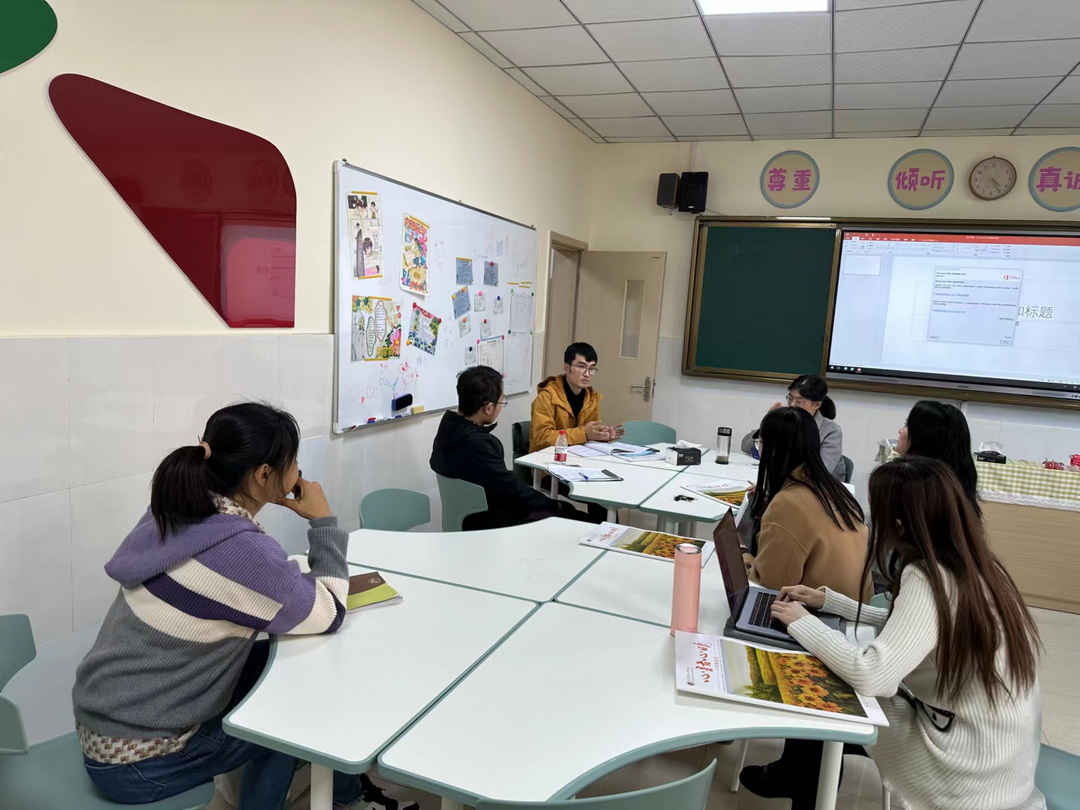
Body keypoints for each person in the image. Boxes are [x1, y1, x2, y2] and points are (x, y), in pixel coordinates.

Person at [71, 403, 410, 810]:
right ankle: (342, 798)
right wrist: (324, 521)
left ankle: (346, 795)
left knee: (291, 670)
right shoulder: (239, 550)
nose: (299, 469)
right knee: (285, 721)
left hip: (105, 725)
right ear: (264, 475)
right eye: (293, 460)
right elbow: (330, 611)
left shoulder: (175, 509)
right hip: (139, 764)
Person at [768, 456, 1045, 810]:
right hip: (1003, 764)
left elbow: (872, 675)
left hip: (964, 772)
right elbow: (919, 631)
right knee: (837, 676)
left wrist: (801, 622)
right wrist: (829, 602)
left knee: (826, 691)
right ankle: (802, 778)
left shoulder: (928, 577)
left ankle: (800, 785)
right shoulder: (980, 567)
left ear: (899, 525)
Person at [431, 366, 598, 529]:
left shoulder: (448, 428)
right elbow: (511, 488)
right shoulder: (476, 444)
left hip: (468, 517)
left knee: (568, 511)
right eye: (501, 401)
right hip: (491, 523)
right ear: (488, 408)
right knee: (583, 520)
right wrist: (554, 504)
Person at [743, 406, 870, 601]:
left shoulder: (788, 504)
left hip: (820, 612)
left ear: (772, 449)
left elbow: (769, 586)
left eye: (761, 443)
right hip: (855, 607)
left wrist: (742, 553)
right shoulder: (836, 490)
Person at [742, 374, 845, 480]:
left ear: (816, 405)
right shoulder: (785, 421)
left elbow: (821, 471)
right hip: (788, 481)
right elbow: (746, 447)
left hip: (822, 484)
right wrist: (768, 424)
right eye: (790, 398)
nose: (792, 404)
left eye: (799, 401)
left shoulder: (831, 431)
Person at [529, 342, 621, 451]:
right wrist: (583, 433)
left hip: (577, 456)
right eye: (582, 367)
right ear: (566, 368)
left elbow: (588, 438)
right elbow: (541, 438)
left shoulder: (591, 398)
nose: (587, 374)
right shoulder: (547, 396)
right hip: (549, 457)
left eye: (591, 368)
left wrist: (601, 436)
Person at [898, 399, 981, 516]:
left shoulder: (912, 488)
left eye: (907, 425)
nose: (900, 430)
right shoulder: (953, 490)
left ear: (925, 438)